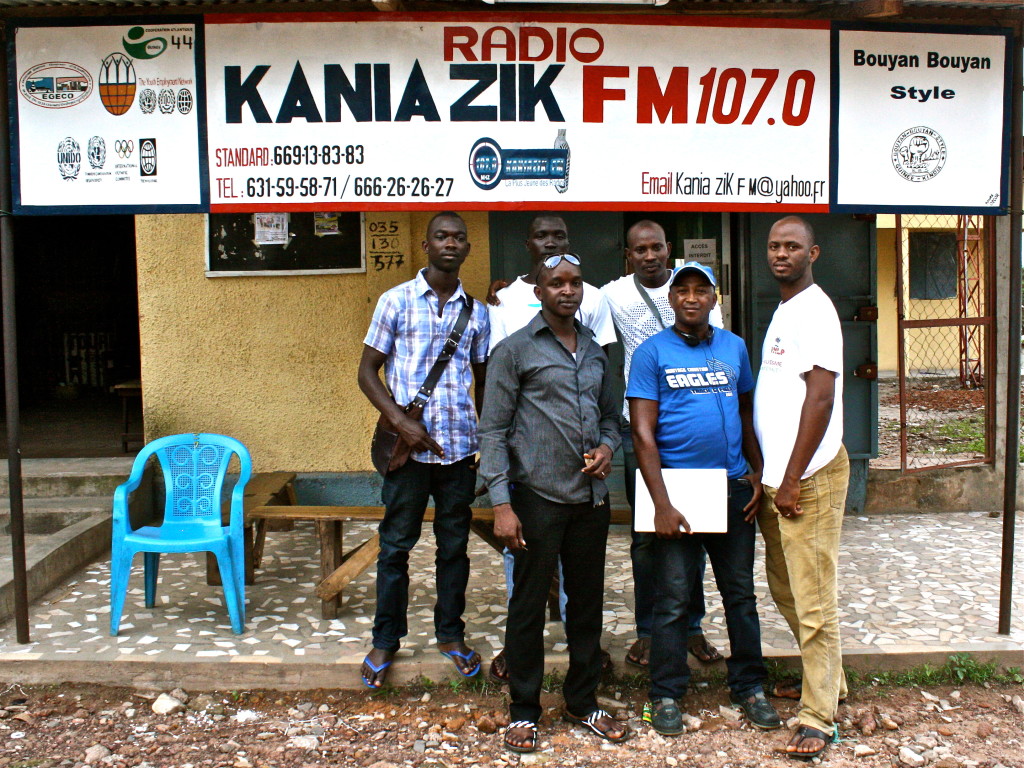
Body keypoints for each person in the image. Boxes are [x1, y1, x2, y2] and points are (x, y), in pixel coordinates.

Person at [479, 253, 628, 752]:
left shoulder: (593, 349)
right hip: (536, 499)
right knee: (527, 606)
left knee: (585, 605)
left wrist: (607, 449)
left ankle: (582, 701)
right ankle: (524, 709)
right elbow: (494, 431)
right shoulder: (515, 350)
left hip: (589, 500)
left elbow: (612, 419)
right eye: (556, 283)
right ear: (538, 292)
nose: (567, 290)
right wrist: (502, 504)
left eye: (575, 282)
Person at [627, 262, 780, 736]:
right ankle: (667, 693)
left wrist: (756, 471)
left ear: (715, 298)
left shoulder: (733, 347)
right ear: (672, 299)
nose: (691, 298)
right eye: (683, 291)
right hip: (679, 493)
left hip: (732, 489)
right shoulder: (651, 353)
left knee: (740, 596)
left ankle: (750, 687)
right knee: (671, 598)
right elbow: (642, 432)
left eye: (701, 290)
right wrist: (661, 503)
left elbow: (745, 408)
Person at [356, 212, 490, 689]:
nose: (450, 243)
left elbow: (483, 381)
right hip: (407, 455)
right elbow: (367, 372)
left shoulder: (477, 313)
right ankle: (385, 639)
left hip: (458, 454)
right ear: (426, 246)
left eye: (458, 237)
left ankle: (450, 634)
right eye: (441, 236)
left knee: (454, 550)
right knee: (395, 548)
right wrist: (400, 422)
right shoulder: (396, 302)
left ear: (467, 248)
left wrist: (487, 443)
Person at [601, 220, 724, 670]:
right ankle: (649, 631)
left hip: (693, 433)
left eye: (656, 248)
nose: (649, 256)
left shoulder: (694, 290)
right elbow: (560, 295)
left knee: (698, 530)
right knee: (647, 538)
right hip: (645, 433)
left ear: (668, 250)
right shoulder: (611, 295)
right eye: (640, 250)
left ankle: (692, 627)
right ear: (628, 256)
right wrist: (509, 292)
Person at [754, 216, 849, 761]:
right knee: (787, 587)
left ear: (814, 253)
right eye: (774, 246)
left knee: (814, 599)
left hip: (807, 479)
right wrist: (768, 474)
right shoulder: (786, 309)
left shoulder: (816, 310)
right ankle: (827, 681)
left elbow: (820, 398)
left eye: (792, 246)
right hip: (777, 479)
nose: (781, 254)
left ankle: (819, 718)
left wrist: (790, 478)